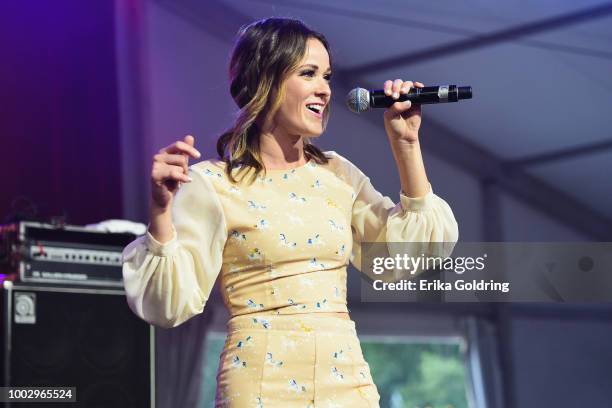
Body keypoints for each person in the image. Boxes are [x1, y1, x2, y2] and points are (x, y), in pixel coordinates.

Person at [122, 17, 458, 408]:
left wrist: (406, 145)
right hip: (261, 383)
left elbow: (411, 253)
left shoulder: (337, 174)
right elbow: (168, 304)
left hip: (345, 379)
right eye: (308, 73)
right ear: (265, 79)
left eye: (327, 76)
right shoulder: (214, 184)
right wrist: (162, 210)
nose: (324, 89)